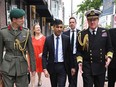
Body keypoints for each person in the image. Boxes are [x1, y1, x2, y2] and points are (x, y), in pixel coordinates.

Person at [76, 9, 113, 87]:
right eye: (90, 20)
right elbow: (78, 51)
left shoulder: (105, 32)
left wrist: (109, 58)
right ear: (87, 20)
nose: (92, 22)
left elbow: (110, 48)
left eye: (94, 19)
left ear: (98, 20)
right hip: (87, 67)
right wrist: (79, 62)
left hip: (100, 67)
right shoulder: (82, 34)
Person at [0, 8, 36, 87]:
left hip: (22, 66)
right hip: (7, 67)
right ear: (14, 20)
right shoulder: (3, 32)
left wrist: (33, 68)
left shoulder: (26, 32)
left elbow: (31, 51)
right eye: (21, 18)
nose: (23, 20)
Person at [42, 18, 75, 87]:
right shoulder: (48, 39)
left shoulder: (66, 39)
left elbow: (70, 54)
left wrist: (72, 67)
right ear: (53, 27)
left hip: (63, 66)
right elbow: (44, 55)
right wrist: (45, 68)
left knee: (61, 85)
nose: (59, 29)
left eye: (61, 27)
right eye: (57, 27)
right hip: (52, 66)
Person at [63, 17, 80, 87]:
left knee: (74, 76)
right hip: (67, 58)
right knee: (69, 76)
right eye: (70, 22)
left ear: (75, 23)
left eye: (73, 22)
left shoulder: (80, 33)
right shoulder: (65, 34)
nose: (71, 24)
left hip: (76, 57)